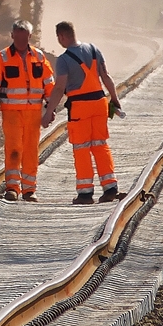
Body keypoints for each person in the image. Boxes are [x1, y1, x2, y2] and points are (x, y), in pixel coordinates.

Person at [41, 21, 124, 204]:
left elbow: (59, 87)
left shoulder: (63, 60)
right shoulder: (94, 49)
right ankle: (110, 188)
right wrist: (115, 98)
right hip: (100, 103)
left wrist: (49, 112)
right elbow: (106, 76)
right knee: (100, 145)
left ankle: (85, 194)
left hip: (80, 107)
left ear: (62, 36)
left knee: (81, 148)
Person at [0, 19, 55, 202]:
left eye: (24, 37)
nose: (21, 40)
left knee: (31, 149)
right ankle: (12, 188)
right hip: (12, 112)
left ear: (30, 37)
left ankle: (29, 189)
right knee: (14, 149)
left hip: (33, 112)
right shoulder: (2, 58)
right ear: (12, 36)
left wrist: (51, 106)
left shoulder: (39, 58)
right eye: (18, 37)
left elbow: (49, 83)